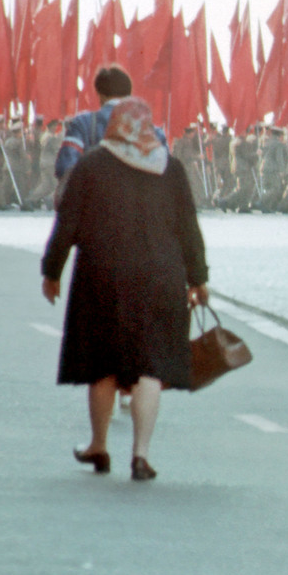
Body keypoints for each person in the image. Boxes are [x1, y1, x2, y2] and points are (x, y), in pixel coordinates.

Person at [41, 97, 210, 483]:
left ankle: (99, 445)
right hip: (162, 278)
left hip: (101, 276)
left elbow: (66, 224)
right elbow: (189, 229)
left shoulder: (91, 166)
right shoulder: (171, 169)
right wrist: (198, 279)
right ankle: (140, 455)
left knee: (102, 366)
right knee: (150, 366)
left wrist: (52, 271)